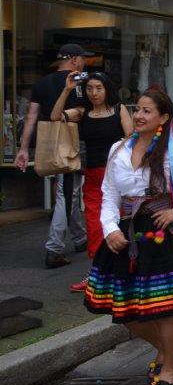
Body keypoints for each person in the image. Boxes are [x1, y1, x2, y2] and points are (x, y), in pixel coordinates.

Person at [85, 90, 173, 385]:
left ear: (163, 118)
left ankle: (171, 366)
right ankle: (164, 349)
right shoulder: (117, 150)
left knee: (163, 309)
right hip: (127, 232)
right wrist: (109, 228)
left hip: (163, 235)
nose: (139, 116)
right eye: (137, 110)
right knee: (127, 311)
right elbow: (109, 195)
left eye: (147, 111)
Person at [52, 72, 133, 291]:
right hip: (93, 176)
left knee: (119, 224)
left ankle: (120, 273)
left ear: (107, 89)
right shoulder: (82, 111)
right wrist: (67, 89)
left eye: (98, 88)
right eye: (89, 88)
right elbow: (55, 116)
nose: (94, 93)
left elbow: (131, 139)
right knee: (95, 226)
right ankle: (96, 275)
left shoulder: (119, 109)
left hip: (117, 176)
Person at [16, 43, 91, 268]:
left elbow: (31, 118)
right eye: (83, 58)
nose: (84, 62)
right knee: (66, 193)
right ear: (75, 60)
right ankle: (54, 248)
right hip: (73, 142)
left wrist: (23, 148)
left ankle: (80, 238)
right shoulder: (80, 81)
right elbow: (81, 113)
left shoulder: (41, 83)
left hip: (48, 142)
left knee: (69, 189)